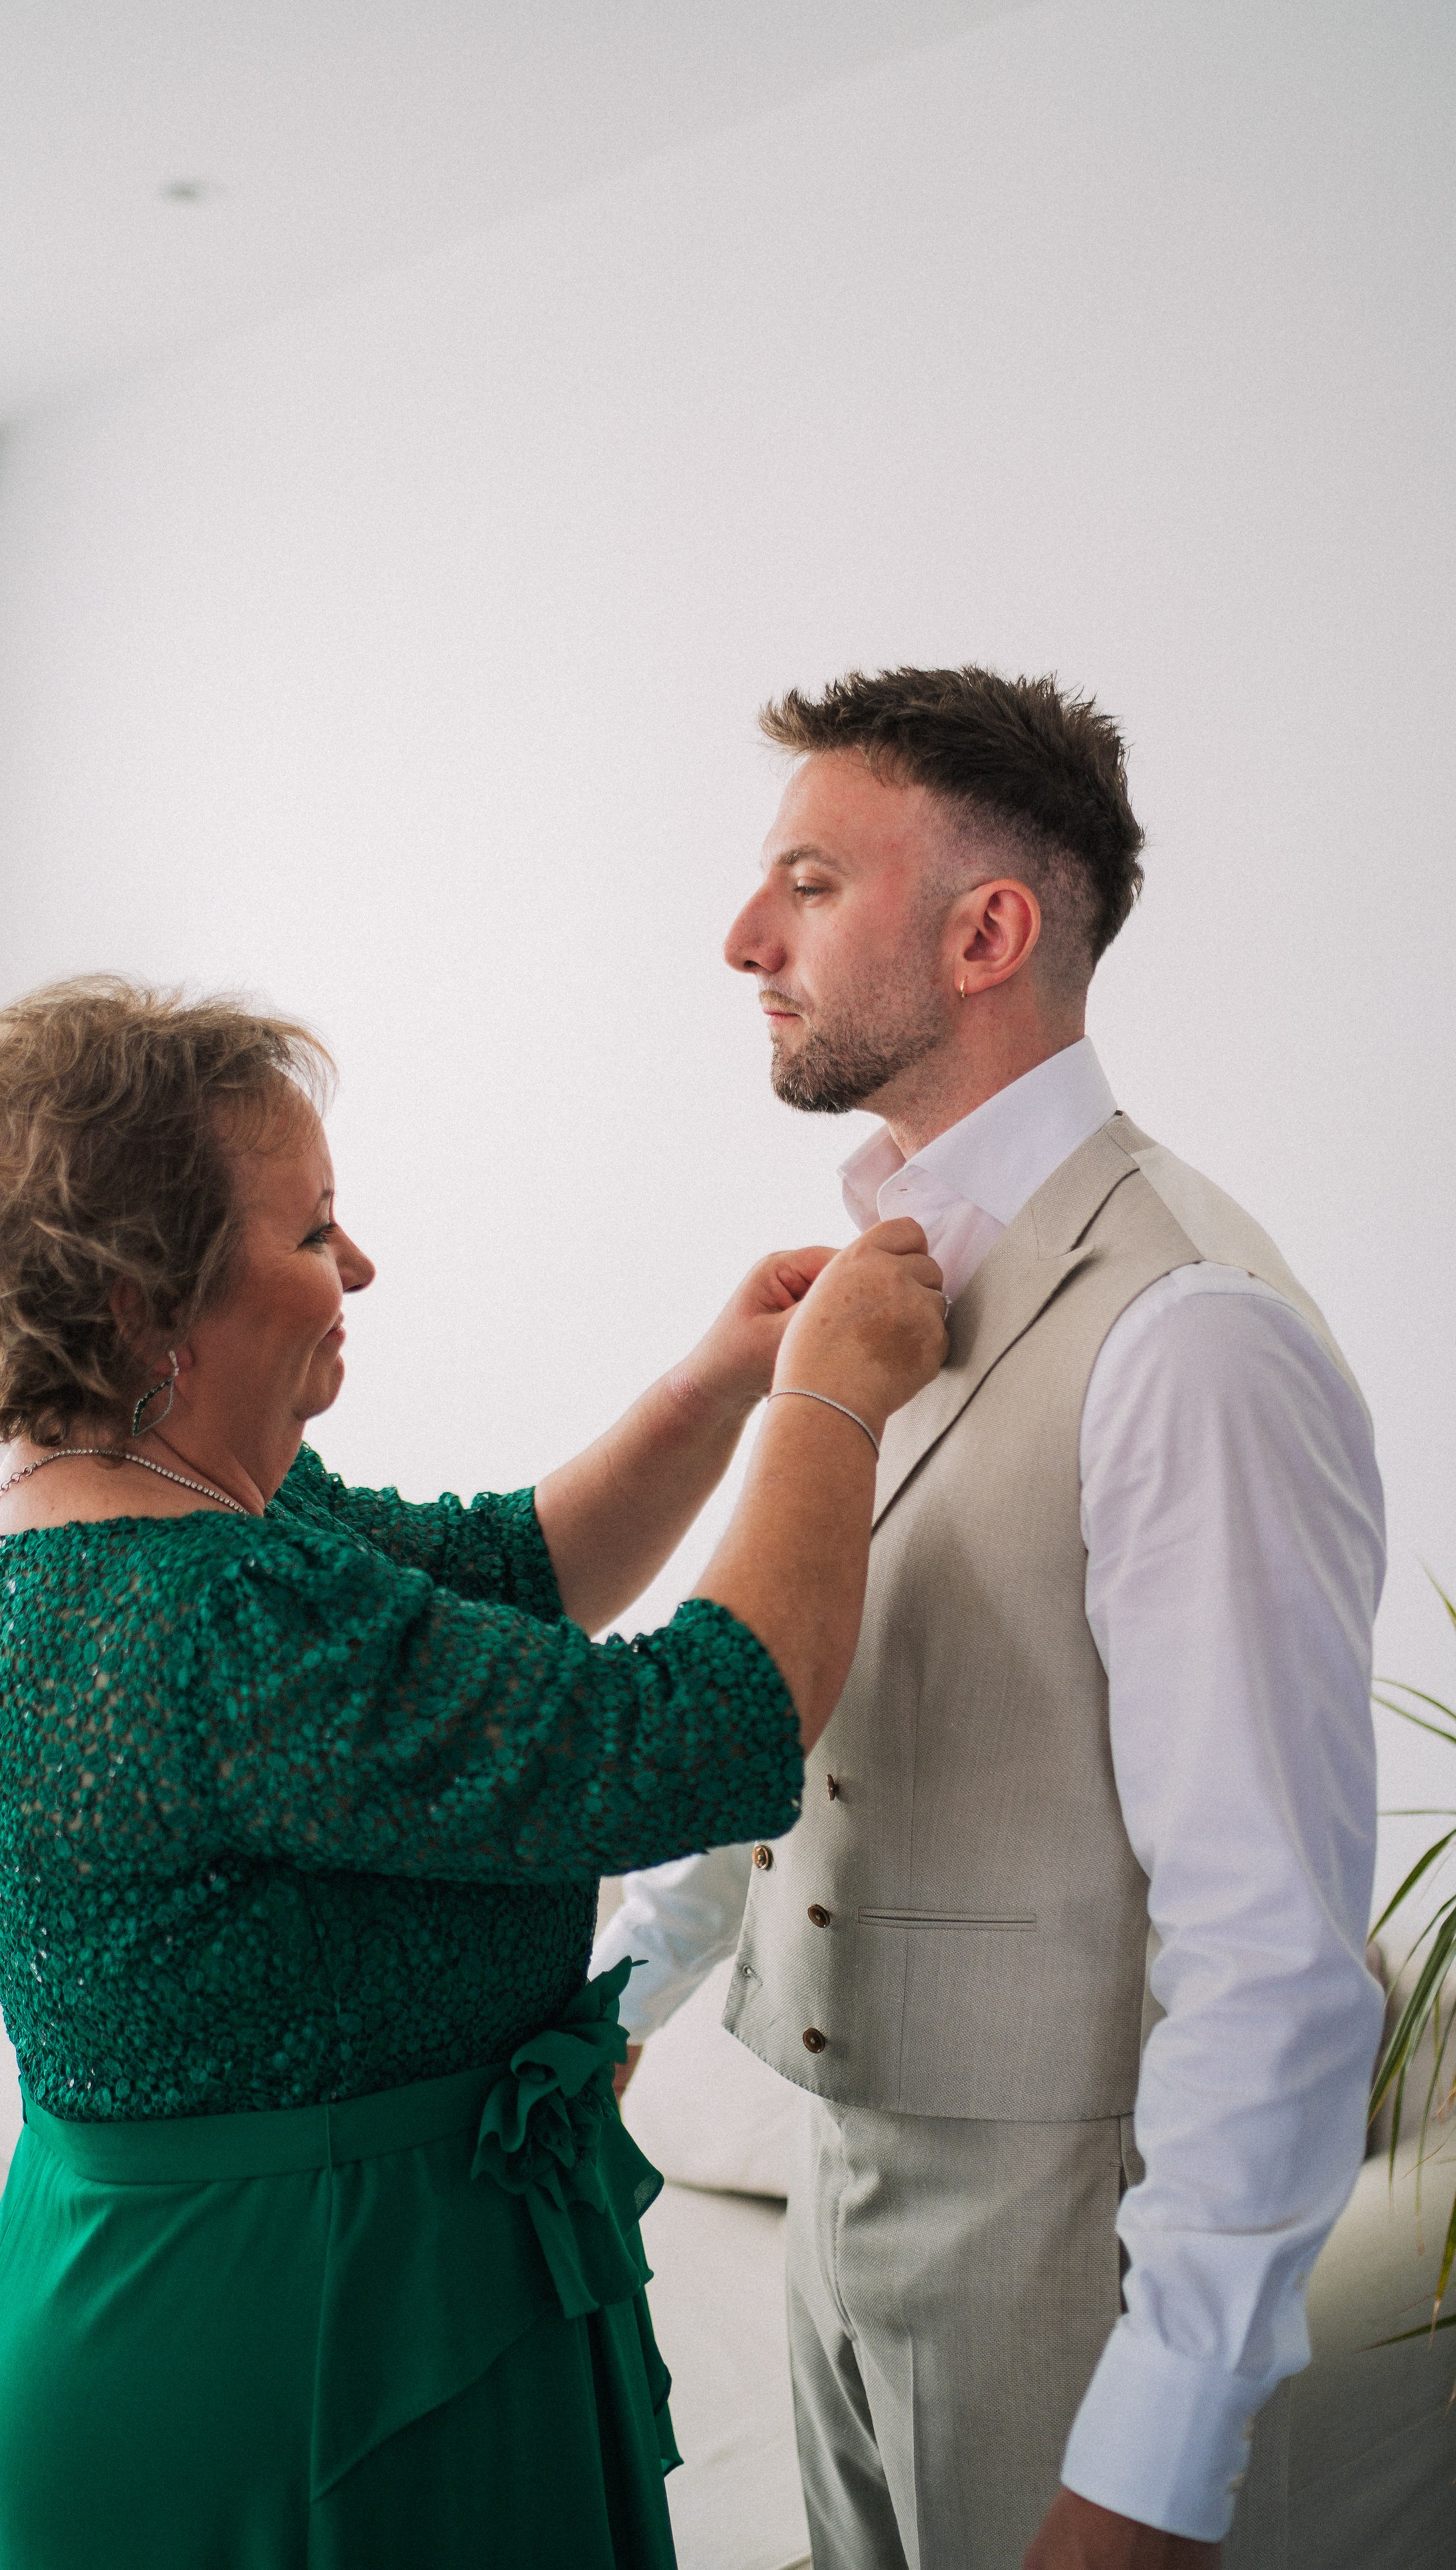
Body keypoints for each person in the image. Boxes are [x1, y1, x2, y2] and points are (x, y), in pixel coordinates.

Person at [0, 974, 947, 2570]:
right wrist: (829, 1395)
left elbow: (503, 1570)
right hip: (304, 2356)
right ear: (139, 1297)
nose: (359, 1266)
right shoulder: (212, 1617)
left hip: (207, 2297)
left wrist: (720, 1381)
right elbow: (701, 1728)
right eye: (313, 1233)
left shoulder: (112, 1515)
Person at [594, 667, 1386, 2570]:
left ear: (988, 932)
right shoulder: (874, 1290)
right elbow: (795, 1698)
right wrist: (618, 2008)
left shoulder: (1189, 1334)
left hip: (1067, 2244)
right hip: (842, 2179)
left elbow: (1271, 1947)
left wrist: (1158, 2460)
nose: (739, 941)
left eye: (804, 883)